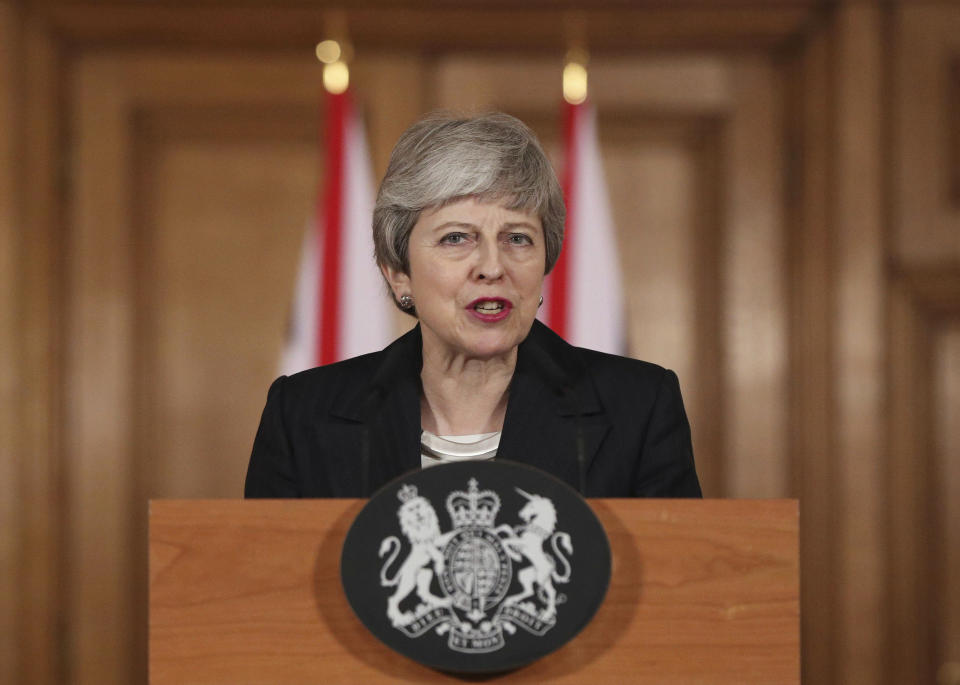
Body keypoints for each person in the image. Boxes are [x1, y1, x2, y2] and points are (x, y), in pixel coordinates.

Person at [245, 112, 701, 498]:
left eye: (517, 238)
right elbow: (265, 590)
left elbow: (679, 591)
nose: (491, 266)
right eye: (456, 238)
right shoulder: (303, 416)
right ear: (397, 270)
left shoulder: (637, 409)